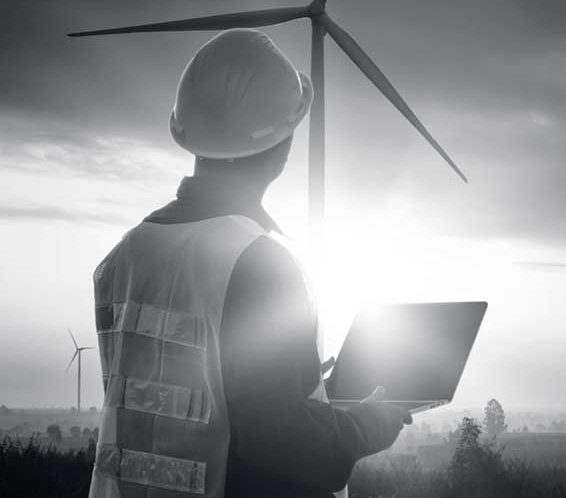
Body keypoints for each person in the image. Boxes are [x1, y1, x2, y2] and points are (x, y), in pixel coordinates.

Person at [89, 29, 410, 498]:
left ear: (190, 135)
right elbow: (286, 449)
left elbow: (172, 394)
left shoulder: (121, 257)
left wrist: (294, 379)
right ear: (282, 145)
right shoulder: (259, 263)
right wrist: (366, 424)